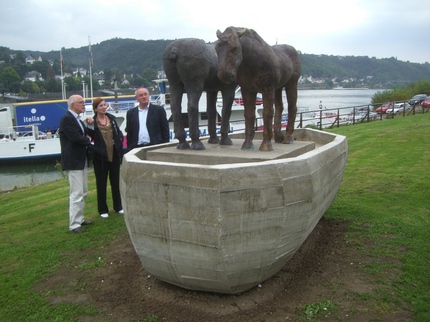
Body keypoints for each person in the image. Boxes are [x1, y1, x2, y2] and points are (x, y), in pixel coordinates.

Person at [59, 94, 93, 233]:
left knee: (83, 191)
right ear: (73, 105)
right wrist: (89, 141)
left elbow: (85, 134)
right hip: (73, 161)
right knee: (76, 193)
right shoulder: (67, 119)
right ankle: (74, 224)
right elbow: (76, 138)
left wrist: (91, 128)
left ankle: (80, 218)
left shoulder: (78, 119)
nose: (84, 105)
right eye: (81, 102)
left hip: (81, 159)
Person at [86, 98, 124, 219]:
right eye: (101, 105)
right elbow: (88, 137)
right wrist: (95, 150)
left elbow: (118, 132)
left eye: (105, 105)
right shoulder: (92, 122)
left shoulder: (112, 119)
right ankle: (102, 209)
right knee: (101, 184)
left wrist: (119, 140)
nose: (104, 107)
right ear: (96, 108)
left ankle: (118, 206)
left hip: (114, 154)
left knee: (116, 181)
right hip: (100, 157)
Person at [126, 87, 170, 151]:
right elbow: (129, 132)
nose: (144, 97)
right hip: (136, 147)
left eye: (145, 94)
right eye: (141, 95)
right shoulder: (130, 113)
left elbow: (165, 129)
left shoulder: (158, 110)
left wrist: (164, 146)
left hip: (155, 146)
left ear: (149, 95)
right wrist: (129, 147)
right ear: (136, 98)